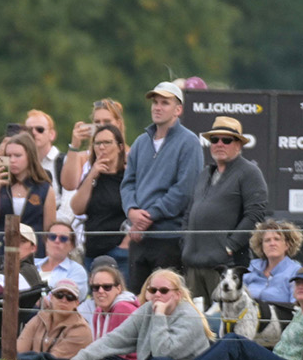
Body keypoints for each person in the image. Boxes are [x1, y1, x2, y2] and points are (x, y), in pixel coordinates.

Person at [119, 81, 202, 294]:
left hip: (170, 238)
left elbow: (184, 189)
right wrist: (132, 211)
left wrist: (147, 217)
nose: (157, 107)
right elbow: (128, 183)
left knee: (168, 302)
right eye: (155, 102)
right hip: (139, 239)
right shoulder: (140, 142)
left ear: (178, 109)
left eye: (165, 103)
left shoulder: (189, 142)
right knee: (139, 301)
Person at [181, 116, 270, 306]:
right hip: (194, 266)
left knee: (226, 326)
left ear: (238, 145)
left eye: (226, 140)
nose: (219, 144)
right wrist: (185, 242)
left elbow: (256, 214)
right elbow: (190, 212)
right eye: (214, 139)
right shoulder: (205, 173)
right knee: (195, 326)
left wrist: (229, 246)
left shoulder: (249, 172)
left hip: (226, 269)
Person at [71, 269, 213, 360]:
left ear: (177, 294)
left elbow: (162, 353)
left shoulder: (189, 316)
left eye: (163, 291)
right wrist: (80, 357)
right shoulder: (147, 309)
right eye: (152, 290)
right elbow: (113, 340)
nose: (157, 295)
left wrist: (159, 315)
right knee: (103, 356)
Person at [0, 131, 57, 264]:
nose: (12, 160)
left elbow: (48, 231)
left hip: (34, 256)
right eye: (8, 156)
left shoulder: (44, 189)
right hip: (2, 254)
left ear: (30, 156)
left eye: (17, 156)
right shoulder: (0, 186)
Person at [69, 125, 130, 281]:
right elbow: (77, 208)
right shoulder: (93, 176)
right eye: (97, 143)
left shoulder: (128, 176)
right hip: (92, 251)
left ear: (120, 147)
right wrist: (92, 175)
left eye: (107, 142)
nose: (101, 147)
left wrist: (125, 243)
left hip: (118, 251)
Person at [17, 279, 93, 360]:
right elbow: (18, 350)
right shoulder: (39, 318)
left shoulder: (81, 330)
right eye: (59, 295)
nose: (64, 300)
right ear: (51, 297)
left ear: (77, 303)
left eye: (70, 297)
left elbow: (52, 358)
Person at [0, 223, 45, 300]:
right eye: (11, 240)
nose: (15, 244)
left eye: (22, 241)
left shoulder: (29, 272)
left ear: (33, 248)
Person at [244, 219, 303, 304]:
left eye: (277, 239)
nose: (272, 244)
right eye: (267, 240)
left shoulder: (295, 271)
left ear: (287, 245)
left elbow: (297, 307)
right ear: (262, 246)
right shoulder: (253, 267)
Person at [83, 264, 138, 352]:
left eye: (107, 287)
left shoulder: (123, 308)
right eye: (96, 287)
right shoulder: (98, 311)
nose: (100, 291)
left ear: (118, 289)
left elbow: (117, 352)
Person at [36, 221, 89, 297]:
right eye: (52, 237)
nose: (57, 241)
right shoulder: (32, 264)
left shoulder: (77, 271)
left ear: (72, 246)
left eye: (63, 238)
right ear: (46, 241)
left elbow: (69, 300)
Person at [270, 270, 303, 360]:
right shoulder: (298, 313)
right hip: (275, 355)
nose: (300, 286)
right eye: (298, 283)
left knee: (234, 341)